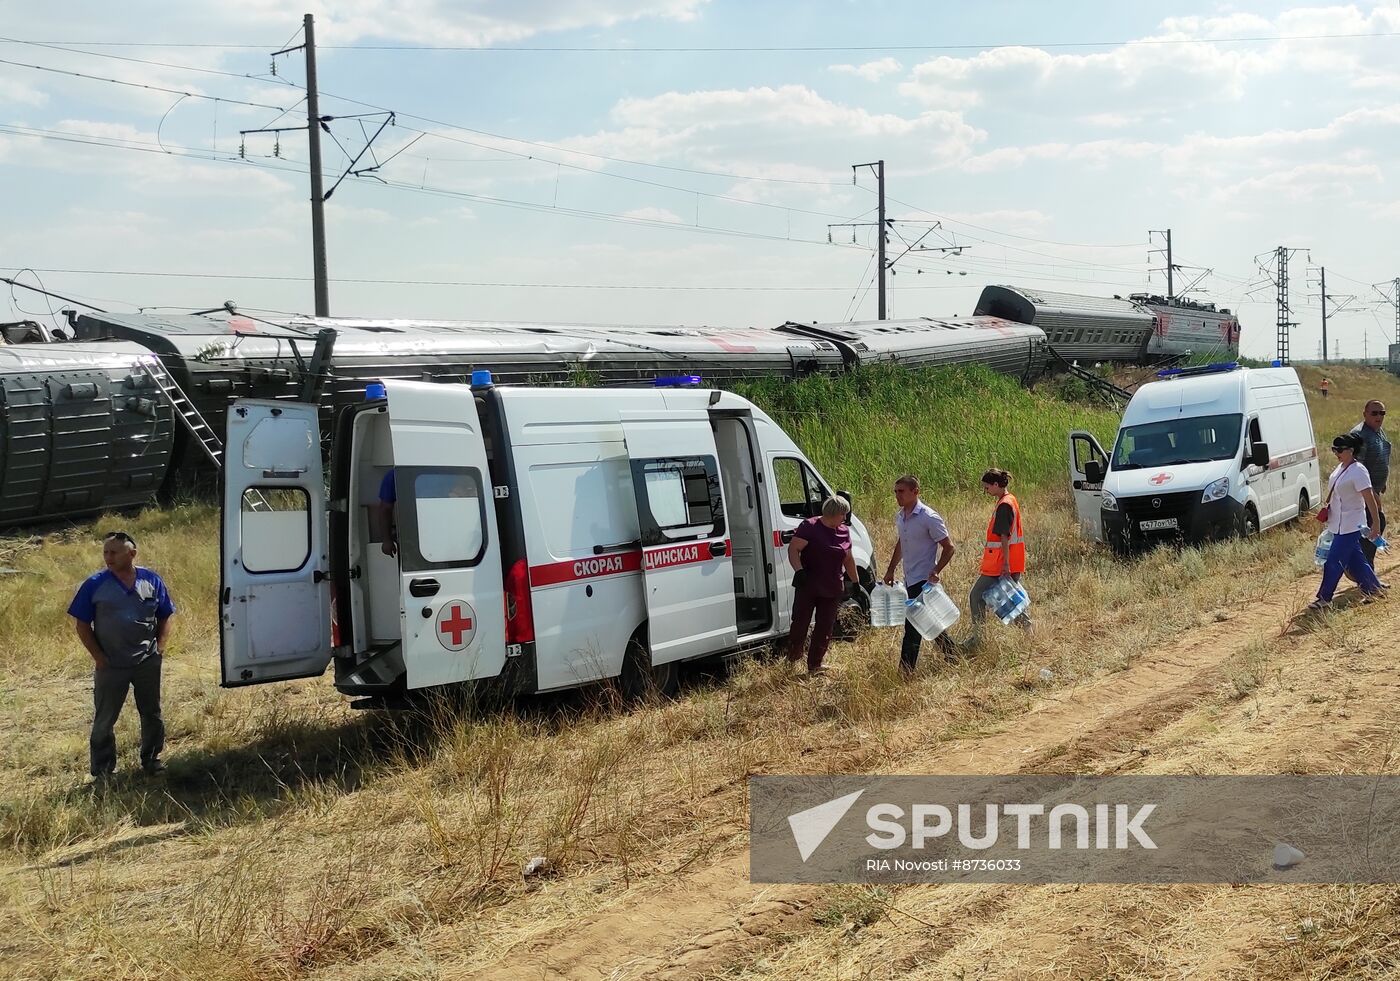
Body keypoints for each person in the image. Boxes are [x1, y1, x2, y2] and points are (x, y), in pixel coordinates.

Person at [68, 531, 176, 779]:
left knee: (152, 713)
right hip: (111, 664)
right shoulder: (95, 584)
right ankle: (104, 771)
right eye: (105, 552)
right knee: (105, 718)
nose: (108, 557)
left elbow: (165, 614)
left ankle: (152, 759)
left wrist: (159, 646)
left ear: (132, 554)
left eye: (114, 552)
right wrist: (98, 657)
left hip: (146, 660)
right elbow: (82, 624)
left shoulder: (151, 580)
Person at [881, 474, 957, 674]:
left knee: (912, 629)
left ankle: (905, 673)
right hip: (909, 577)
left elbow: (949, 548)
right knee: (929, 622)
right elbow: (901, 543)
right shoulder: (901, 516)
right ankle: (953, 656)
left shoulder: (928, 517)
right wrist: (891, 569)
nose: (898, 496)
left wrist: (936, 570)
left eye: (902, 492)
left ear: (915, 492)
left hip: (923, 579)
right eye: (896, 492)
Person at [1309, 433, 1384, 610]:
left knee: (1334, 561)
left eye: (1340, 449)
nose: (1337, 452)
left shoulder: (1358, 470)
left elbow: (1369, 498)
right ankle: (1374, 589)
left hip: (1352, 524)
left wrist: (1376, 523)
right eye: (1334, 449)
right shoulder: (1341, 468)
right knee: (1354, 560)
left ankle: (1324, 598)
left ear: (1351, 450)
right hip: (1337, 524)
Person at [787, 495, 861, 675]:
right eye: (843, 514)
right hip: (808, 585)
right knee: (800, 623)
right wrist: (799, 571)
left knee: (825, 626)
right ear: (833, 513)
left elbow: (848, 558)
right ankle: (793, 655)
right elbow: (793, 549)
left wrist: (856, 581)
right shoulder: (810, 527)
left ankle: (815, 664)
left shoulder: (844, 531)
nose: (845, 519)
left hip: (833, 586)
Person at [968, 468, 1031, 630]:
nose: (985, 491)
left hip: (1000, 564)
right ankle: (1027, 629)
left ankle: (979, 637)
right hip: (1007, 561)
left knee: (977, 596)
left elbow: (1004, 536)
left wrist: (1006, 565)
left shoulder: (1004, 505)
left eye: (987, 487)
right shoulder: (1010, 500)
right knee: (1006, 598)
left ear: (996, 484)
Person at [1350, 399, 1390, 574]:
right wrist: (1372, 493)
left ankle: (1363, 569)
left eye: (1382, 413)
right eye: (1374, 413)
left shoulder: (1378, 432)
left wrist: (1382, 483)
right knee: (1374, 525)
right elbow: (1358, 468)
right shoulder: (1360, 435)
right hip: (1364, 492)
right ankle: (1364, 572)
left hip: (1374, 488)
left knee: (1374, 526)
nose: (1378, 416)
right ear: (1364, 414)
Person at [375, 468, 398, 557]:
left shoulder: (393, 474)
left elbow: (385, 509)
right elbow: (385, 509)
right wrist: (387, 540)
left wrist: (386, 541)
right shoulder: (393, 475)